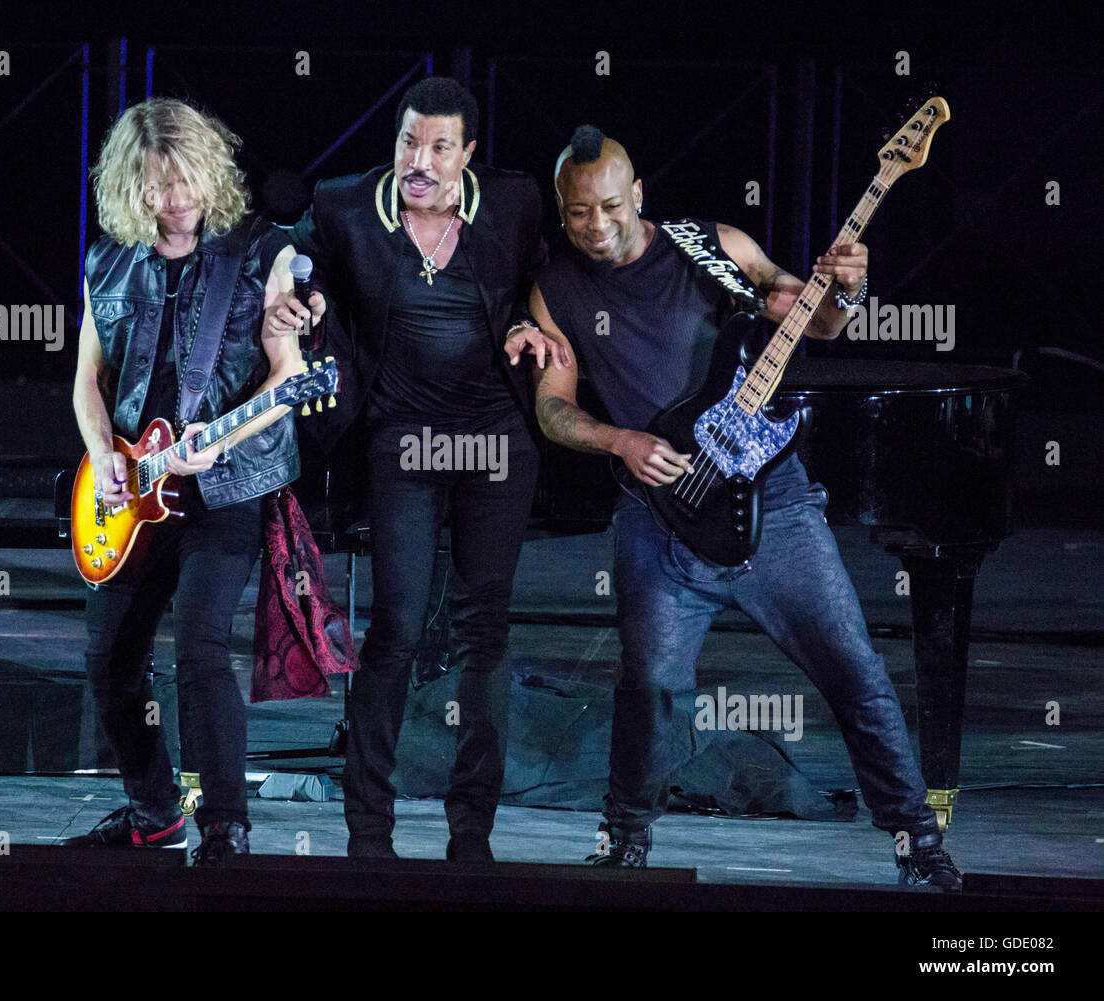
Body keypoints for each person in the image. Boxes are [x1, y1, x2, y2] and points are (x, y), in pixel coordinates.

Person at [511, 125, 962, 889]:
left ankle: (919, 839)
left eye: (611, 206)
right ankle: (624, 837)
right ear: (562, 208)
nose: (597, 225)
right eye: (579, 212)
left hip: (772, 502)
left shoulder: (712, 246)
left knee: (854, 667)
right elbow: (553, 408)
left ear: (640, 194)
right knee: (649, 684)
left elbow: (811, 319)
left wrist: (846, 289)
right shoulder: (555, 288)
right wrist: (620, 440)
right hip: (660, 512)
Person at [289, 76, 552, 862]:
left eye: (440, 146)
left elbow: (557, 274)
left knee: (485, 632)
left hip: (495, 440)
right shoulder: (344, 205)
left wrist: (531, 326)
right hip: (402, 438)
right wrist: (297, 294)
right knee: (397, 630)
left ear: (468, 154)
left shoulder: (514, 204)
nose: (421, 161)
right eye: (409, 142)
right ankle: (369, 833)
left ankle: (472, 834)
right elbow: (289, 252)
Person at [65, 98, 323, 865]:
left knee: (202, 644)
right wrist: (103, 452)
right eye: (151, 186)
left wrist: (217, 444)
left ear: (208, 172)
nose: (169, 200)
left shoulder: (261, 253)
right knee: (110, 660)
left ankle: (226, 825)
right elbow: (87, 379)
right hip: (130, 490)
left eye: (180, 181)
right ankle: (153, 811)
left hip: (225, 488)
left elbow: (289, 376)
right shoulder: (108, 260)